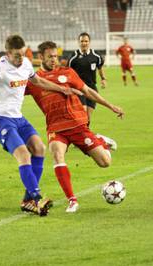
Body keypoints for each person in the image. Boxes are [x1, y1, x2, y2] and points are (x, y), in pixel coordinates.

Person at [0, 35, 78, 216]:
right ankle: (37, 198)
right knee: (24, 154)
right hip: (0, 119)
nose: (20, 58)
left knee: (39, 148)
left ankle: (27, 201)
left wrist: (61, 88)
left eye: (23, 54)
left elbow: (37, 81)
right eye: (17, 55)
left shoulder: (25, 64)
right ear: (8, 53)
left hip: (18, 118)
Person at [26, 41, 124, 213]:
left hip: (78, 125)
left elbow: (88, 91)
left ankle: (99, 140)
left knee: (105, 162)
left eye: (56, 56)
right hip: (56, 128)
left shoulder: (68, 73)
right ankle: (72, 200)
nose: (54, 60)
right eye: (50, 57)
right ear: (40, 57)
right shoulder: (34, 80)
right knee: (57, 154)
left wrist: (111, 106)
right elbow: (9, 87)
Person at [68, 32, 107, 124]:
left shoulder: (96, 56)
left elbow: (100, 68)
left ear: (89, 42)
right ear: (78, 42)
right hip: (78, 89)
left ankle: (85, 135)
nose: (84, 43)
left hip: (92, 88)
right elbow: (68, 73)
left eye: (86, 41)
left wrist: (103, 79)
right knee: (83, 114)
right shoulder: (73, 57)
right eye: (82, 41)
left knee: (87, 118)